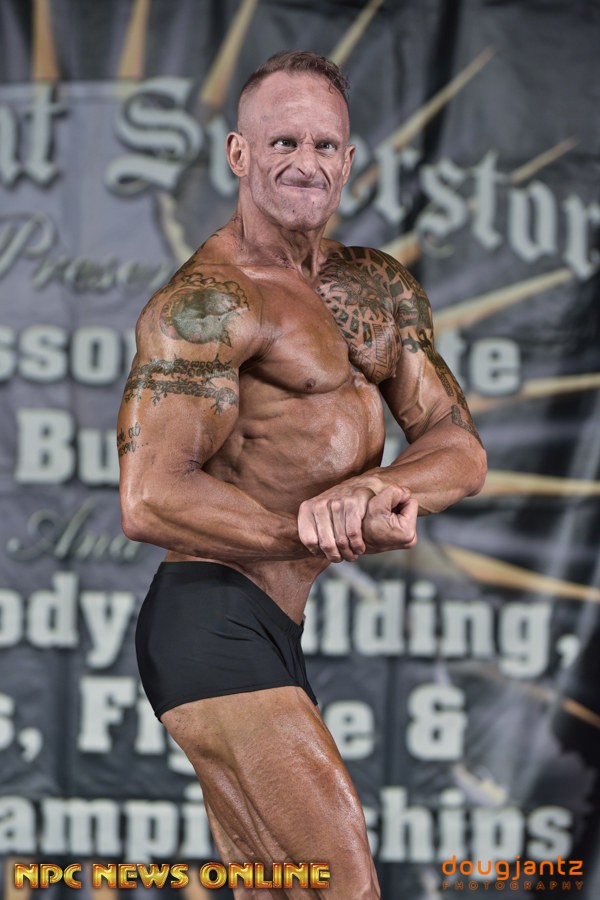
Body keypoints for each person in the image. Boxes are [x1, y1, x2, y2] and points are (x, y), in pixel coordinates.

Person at [117, 50, 487, 899]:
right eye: (282, 141)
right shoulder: (208, 302)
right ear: (239, 153)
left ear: (348, 161)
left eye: (324, 144)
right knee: (344, 886)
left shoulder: (378, 286)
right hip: (209, 621)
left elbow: (457, 444)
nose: (305, 162)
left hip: (275, 626)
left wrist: (371, 490)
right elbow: (150, 496)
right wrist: (315, 528)